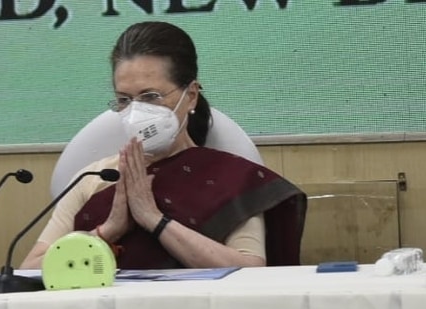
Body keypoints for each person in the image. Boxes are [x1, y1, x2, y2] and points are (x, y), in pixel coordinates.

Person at [21, 21, 306, 270]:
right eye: (124, 100)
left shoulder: (232, 180)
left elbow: (251, 270)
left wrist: (154, 219)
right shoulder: (93, 179)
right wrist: (107, 231)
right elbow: (31, 268)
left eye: (151, 96)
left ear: (191, 96)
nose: (136, 112)